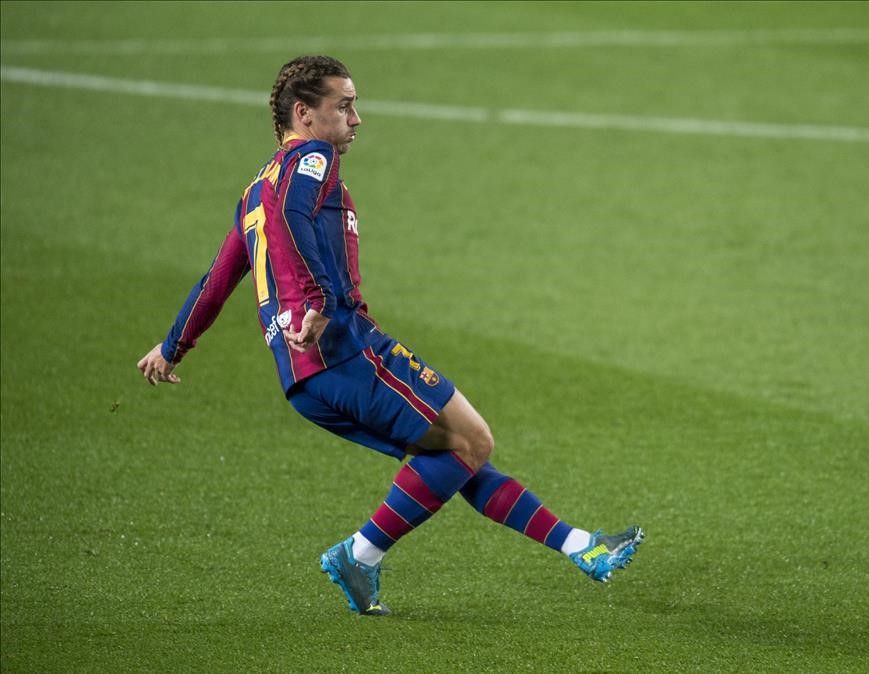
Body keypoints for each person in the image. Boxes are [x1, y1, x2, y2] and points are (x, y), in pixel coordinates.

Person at [137, 55, 643, 616]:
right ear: (304, 114)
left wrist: (172, 345)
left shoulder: (254, 192)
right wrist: (325, 302)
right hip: (342, 349)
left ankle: (581, 547)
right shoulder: (311, 157)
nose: (356, 119)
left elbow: (219, 276)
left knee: (454, 453)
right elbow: (296, 215)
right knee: (471, 442)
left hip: (303, 378)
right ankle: (360, 553)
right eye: (344, 105)